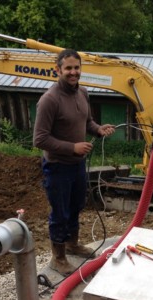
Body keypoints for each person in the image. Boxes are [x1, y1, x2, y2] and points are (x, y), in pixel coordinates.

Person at [33, 49, 115, 275]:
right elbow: (39, 139)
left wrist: (98, 129)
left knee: (76, 205)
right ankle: (58, 258)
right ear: (57, 70)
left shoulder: (83, 93)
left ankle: (72, 244)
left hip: (77, 165)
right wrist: (73, 147)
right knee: (60, 212)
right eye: (68, 68)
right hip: (57, 167)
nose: (73, 72)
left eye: (76, 68)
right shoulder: (49, 100)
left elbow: (86, 121)